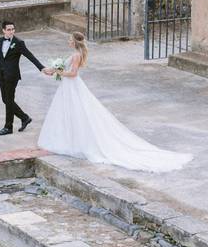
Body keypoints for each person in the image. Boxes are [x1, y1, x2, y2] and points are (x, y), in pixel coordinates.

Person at [38, 32, 192, 172]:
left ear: (75, 42)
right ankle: (68, 138)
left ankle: (74, 141)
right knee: (70, 112)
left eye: (70, 39)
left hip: (72, 85)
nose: (68, 41)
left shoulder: (77, 55)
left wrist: (58, 72)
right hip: (68, 87)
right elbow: (63, 68)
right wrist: (50, 70)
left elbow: (72, 73)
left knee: (78, 112)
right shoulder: (75, 54)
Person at [0, 20, 52, 136]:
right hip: (1, 74)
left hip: (12, 76)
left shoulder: (19, 43)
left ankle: (8, 127)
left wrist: (42, 68)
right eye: (9, 29)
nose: (11, 31)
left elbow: (30, 56)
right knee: (5, 100)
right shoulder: (0, 41)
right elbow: (2, 58)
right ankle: (24, 117)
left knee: (9, 100)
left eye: (13, 29)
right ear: (3, 30)